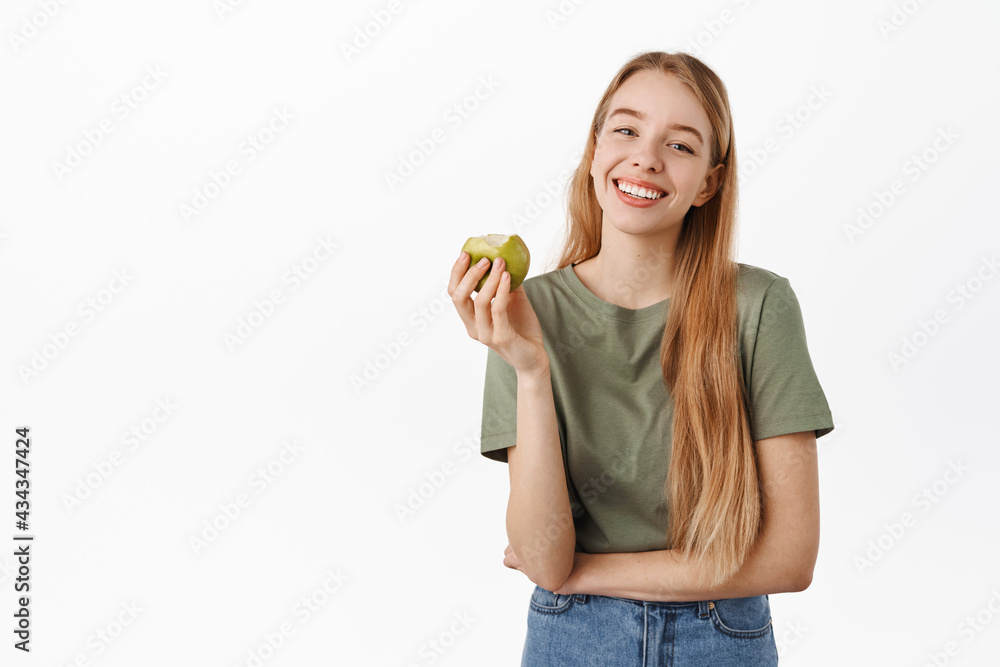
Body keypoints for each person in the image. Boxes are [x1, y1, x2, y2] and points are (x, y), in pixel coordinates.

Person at [448, 50, 834, 666]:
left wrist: (586, 574)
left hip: (722, 637)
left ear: (708, 182)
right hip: (572, 639)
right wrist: (530, 370)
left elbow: (790, 559)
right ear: (595, 152)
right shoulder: (527, 311)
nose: (645, 157)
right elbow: (544, 559)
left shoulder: (759, 306)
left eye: (680, 145)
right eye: (625, 130)